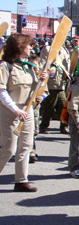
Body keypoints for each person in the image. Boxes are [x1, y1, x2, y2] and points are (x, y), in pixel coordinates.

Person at [0, 33, 47, 192]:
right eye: (29, 45)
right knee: (9, 148)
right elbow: (1, 91)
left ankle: (21, 180)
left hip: (27, 111)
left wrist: (41, 81)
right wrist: (15, 109)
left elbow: (34, 89)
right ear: (20, 47)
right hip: (10, 111)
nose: (32, 48)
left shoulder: (29, 67)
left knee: (26, 146)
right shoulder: (6, 66)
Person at [39, 42, 71, 134]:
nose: (57, 55)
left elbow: (65, 77)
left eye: (57, 54)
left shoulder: (60, 66)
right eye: (55, 54)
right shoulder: (47, 66)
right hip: (50, 89)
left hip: (61, 89)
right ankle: (43, 126)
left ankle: (64, 126)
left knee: (64, 108)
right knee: (48, 109)